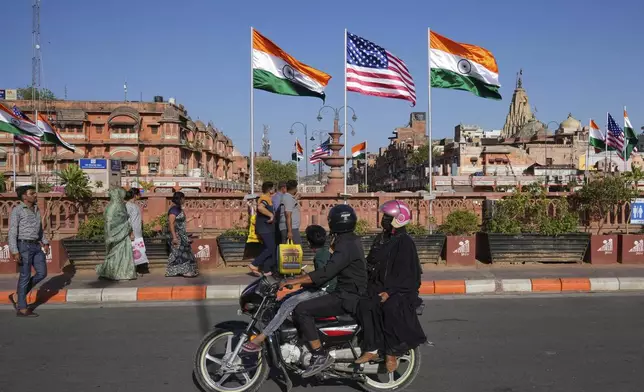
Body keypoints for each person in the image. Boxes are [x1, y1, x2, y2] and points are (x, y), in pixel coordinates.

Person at [279, 204, 367, 378]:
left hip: (347, 296)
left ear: (334, 222)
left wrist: (294, 281)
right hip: (348, 291)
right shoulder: (349, 239)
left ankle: (319, 354)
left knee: (302, 309)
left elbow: (327, 272)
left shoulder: (345, 244)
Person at [354, 200, 426, 373]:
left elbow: (406, 274)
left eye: (388, 216)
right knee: (362, 304)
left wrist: (390, 291)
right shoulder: (382, 238)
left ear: (399, 218)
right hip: (377, 284)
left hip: (399, 289)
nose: (384, 219)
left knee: (389, 308)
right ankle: (371, 348)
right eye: (385, 216)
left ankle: (391, 352)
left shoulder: (405, 242)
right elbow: (371, 261)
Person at [241, 225, 335, 353]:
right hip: (323, 288)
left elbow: (320, 278)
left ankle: (261, 337)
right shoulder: (324, 252)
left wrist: (297, 281)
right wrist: (301, 283)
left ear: (308, 242)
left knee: (287, 304)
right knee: (288, 297)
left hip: (323, 291)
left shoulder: (319, 256)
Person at [7, 185, 49, 317]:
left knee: (42, 273)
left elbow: (39, 228)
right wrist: (15, 251)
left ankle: (18, 295)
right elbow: (12, 232)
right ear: (24, 196)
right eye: (32, 193)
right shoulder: (17, 210)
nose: (35, 195)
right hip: (23, 246)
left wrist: (45, 242)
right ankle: (22, 308)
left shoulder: (36, 209)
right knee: (25, 276)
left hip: (36, 246)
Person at [96, 188, 138, 281]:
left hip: (118, 233)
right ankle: (118, 273)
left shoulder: (115, 205)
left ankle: (118, 273)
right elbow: (112, 221)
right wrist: (111, 235)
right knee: (118, 254)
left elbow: (121, 219)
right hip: (118, 234)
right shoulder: (115, 206)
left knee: (119, 254)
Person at [166, 191, 199, 278]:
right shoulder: (173, 210)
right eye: (183, 198)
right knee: (179, 253)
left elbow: (183, 222)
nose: (184, 200)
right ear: (180, 199)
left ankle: (185, 270)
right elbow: (171, 223)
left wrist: (193, 217)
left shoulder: (179, 209)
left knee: (185, 253)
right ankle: (181, 271)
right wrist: (174, 237)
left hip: (182, 235)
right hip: (176, 235)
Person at [248, 182, 276, 276]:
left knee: (270, 248)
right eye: (273, 188)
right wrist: (271, 215)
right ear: (270, 190)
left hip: (267, 228)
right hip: (264, 228)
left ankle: (266, 269)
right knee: (271, 248)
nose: (274, 190)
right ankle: (254, 264)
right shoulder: (264, 198)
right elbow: (260, 208)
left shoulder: (268, 198)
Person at [124, 187, 148, 275]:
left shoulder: (135, 205)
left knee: (137, 252)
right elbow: (126, 220)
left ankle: (135, 270)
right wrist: (130, 232)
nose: (140, 196)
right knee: (132, 252)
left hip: (138, 232)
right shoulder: (128, 206)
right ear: (135, 195)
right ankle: (130, 271)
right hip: (132, 233)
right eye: (139, 194)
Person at [279, 179, 301, 244]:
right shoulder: (288, 198)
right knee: (297, 249)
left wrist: (295, 199)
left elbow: (290, 205)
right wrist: (290, 231)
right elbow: (288, 215)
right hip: (290, 228)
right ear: (295, 188)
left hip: (291, 227)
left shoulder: (288, 197)